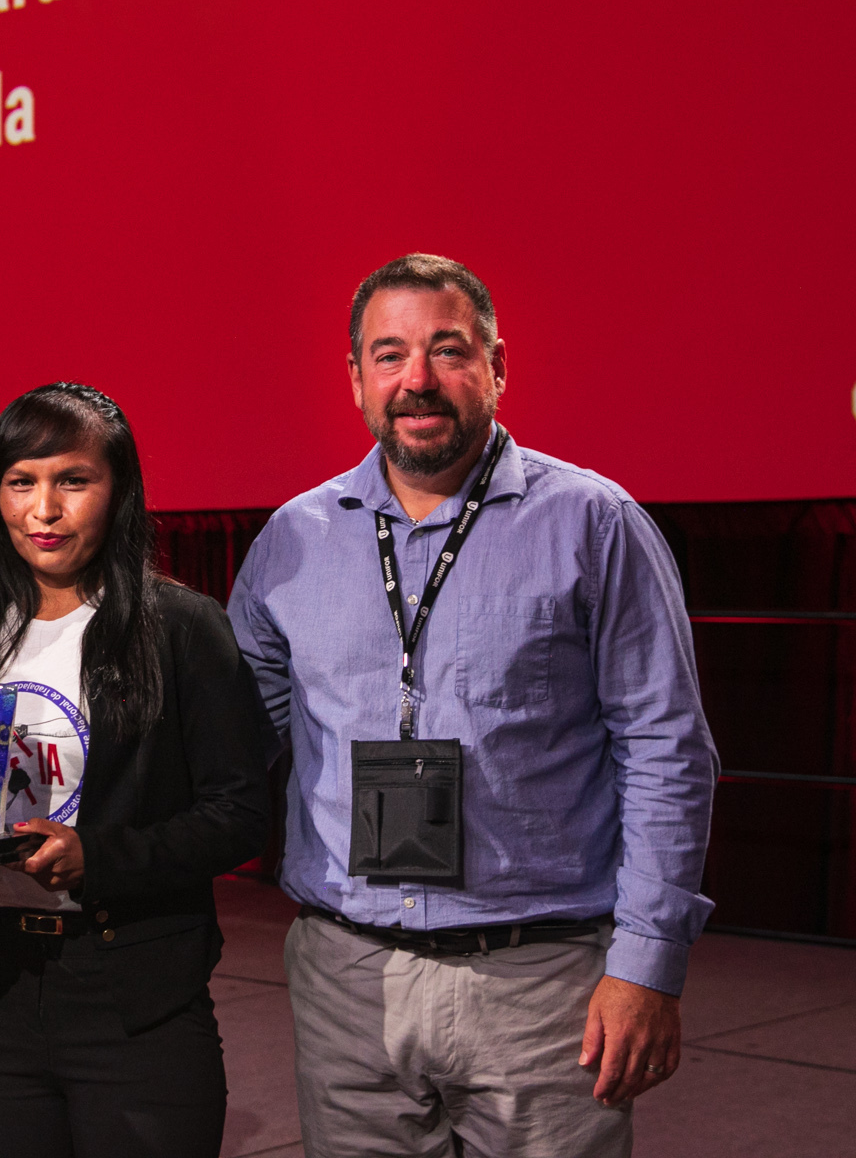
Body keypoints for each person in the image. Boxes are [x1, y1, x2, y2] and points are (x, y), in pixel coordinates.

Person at [227, 254, 718, 1158]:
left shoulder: (593, 525)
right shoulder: (293, 541)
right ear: (355, 380)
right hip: (347, 980)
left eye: (447, 350)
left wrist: (649, 966)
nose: (416, 380)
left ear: (498, 365)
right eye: (389, 355)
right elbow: (230, 741)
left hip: (542, 985)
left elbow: (667, 750)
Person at [0, 383, 270, 1158]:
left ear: (118, 491)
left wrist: (96, 858)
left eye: (73, 480)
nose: (45, 509)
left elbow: (243, 810)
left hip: (130, 1000)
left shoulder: (179, 626)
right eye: (21, 482)